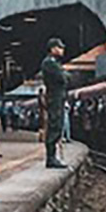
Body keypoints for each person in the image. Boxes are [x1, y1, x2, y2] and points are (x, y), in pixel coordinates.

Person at [41, 37, 68, 168]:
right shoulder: (49, 63)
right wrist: (64, 74)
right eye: (59, 47)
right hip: (55, 97)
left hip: (57, 97)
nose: (62, 50)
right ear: (53, 49)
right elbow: (63, 78)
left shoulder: (54, 63)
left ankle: (53, 157)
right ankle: (51, 158)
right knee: (55, 125)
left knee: (57, 125)